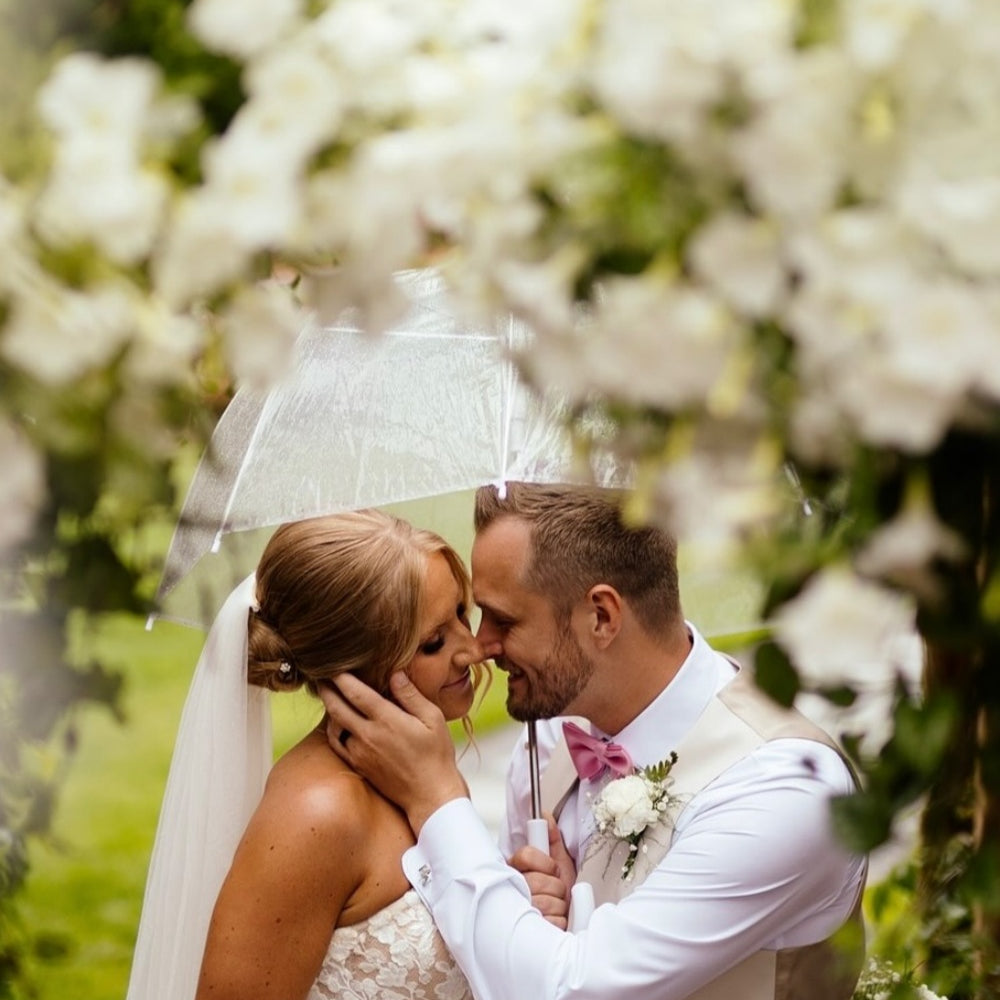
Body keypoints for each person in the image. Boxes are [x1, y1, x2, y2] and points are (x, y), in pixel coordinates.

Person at [320, 482, 869, 1000]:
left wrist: (436, 798)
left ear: (602, 616)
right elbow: (520, 962)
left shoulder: (785, 791)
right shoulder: (548, 748)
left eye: (504, 620)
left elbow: (565, 989)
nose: (481, 645)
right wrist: (534, 916)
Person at [126, 509, 491, 1000]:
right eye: (433, 643)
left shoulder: (426, 769)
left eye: (461, 613)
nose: (472, 650)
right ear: (354, 669)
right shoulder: (319, 815)